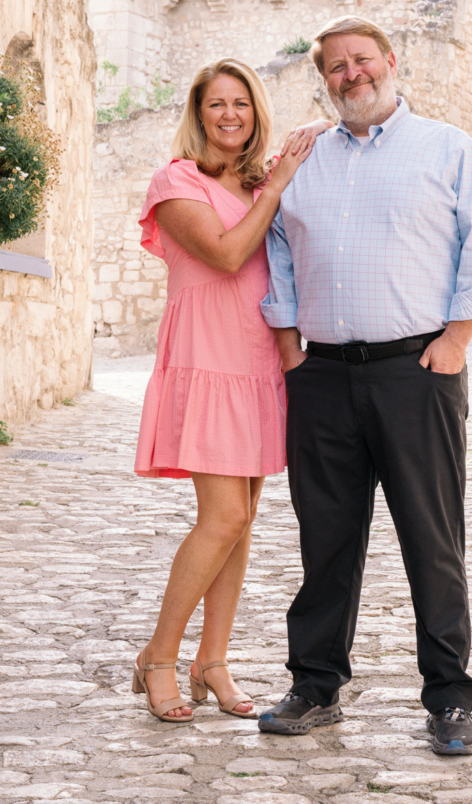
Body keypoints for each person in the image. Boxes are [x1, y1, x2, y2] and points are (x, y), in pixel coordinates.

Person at [258, 16, 472, 755]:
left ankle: (449, 699)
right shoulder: (301, 158)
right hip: (323, 374)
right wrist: (286, 343)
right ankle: (314, 687)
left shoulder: (447, 148)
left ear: (390, 62)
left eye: (362, 60)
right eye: (336, 66)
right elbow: (276, 248)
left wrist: (459, 339)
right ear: (324, 78)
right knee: (325, 540)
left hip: (419, 372)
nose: (352, 75)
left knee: (432, 540)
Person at [132, 57, 326, 723]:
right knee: (223, 518)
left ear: (255, 111)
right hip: (207, 359)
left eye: (240, 104)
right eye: (217, 104)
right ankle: (158, 656)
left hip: (257, 364)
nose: (229, 115)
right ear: (198, 112)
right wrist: (277, 186)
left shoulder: (255, 181)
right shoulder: (176, 181)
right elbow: (224, 254)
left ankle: (211, 661)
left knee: (241, 525)